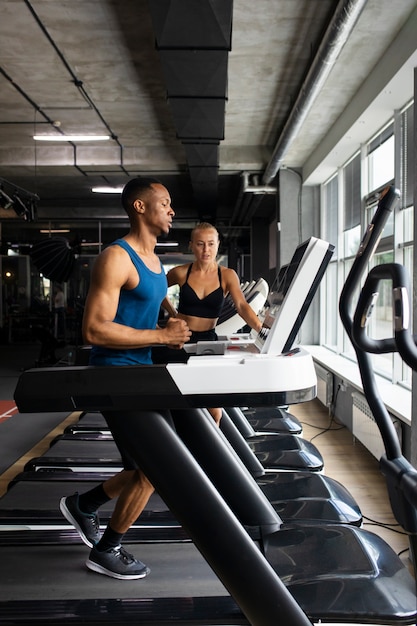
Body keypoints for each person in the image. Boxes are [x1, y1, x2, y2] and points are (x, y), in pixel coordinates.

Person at [59, 176, 190, 580]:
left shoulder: (155, 262)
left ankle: (84, 505)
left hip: (141, 374)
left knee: (143, 466)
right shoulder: (116, 257)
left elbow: (152, 302)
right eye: (164, 203)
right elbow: (95, 330)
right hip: (116, 377)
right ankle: (106, 550)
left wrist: (173, 322)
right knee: (155, 466)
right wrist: (162, 335)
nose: (171, 210)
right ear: (139, 207)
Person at [162, 222, 263, 426]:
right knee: (181, 402)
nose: (206, 250)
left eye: (210, 243)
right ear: (192, 245)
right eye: (200, 244)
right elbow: (154, 293)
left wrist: (263, 330)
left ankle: (211, 453)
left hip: (208, 341)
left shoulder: (227, 275)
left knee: (214, 410)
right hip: (180, 340)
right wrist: (172, 313)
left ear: (218, 244)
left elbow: (242, 306)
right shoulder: (181, 272)